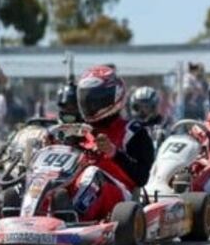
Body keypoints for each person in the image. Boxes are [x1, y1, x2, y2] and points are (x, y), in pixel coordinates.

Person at [63, 66, 155, 221]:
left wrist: (114, 153)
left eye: (95, 100)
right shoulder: (79, 132)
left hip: (121, 201)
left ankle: (72, 219)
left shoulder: (133, 132)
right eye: (87, 99)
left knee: (93, 174)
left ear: (114, 97)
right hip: (80, 189)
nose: (90, 104)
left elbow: (141, 177)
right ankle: (32, 213)